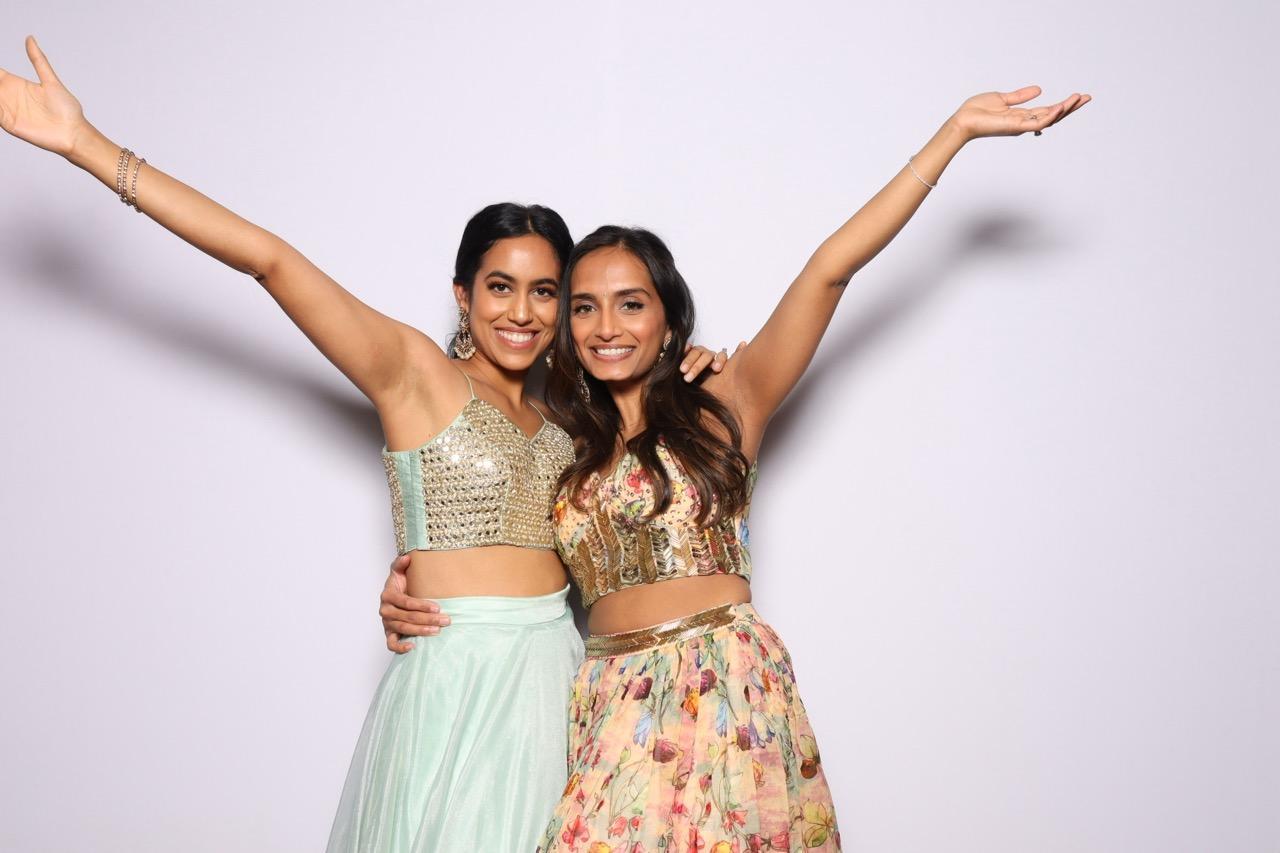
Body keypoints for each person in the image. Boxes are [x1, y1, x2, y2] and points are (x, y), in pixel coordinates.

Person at [0, 35, 728, 851]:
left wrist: (687, 370)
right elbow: (271, 262)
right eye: (500, 287)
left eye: (546, 291)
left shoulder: (575, 414)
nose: (522, 312)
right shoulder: (413, 372)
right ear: (462, 294)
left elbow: (638, 516)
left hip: (559, 682)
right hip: (458, 683)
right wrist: (87, 146)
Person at [528, 85, 1086, 851]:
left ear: (667, 319)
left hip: (723, 690)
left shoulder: (725, 401)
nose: (606, 325)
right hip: (610, 699)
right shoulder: (558, 446)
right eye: (584, 306)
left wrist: (954, 132)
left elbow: (829, 270)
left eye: (630, 303)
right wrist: (410, 588)